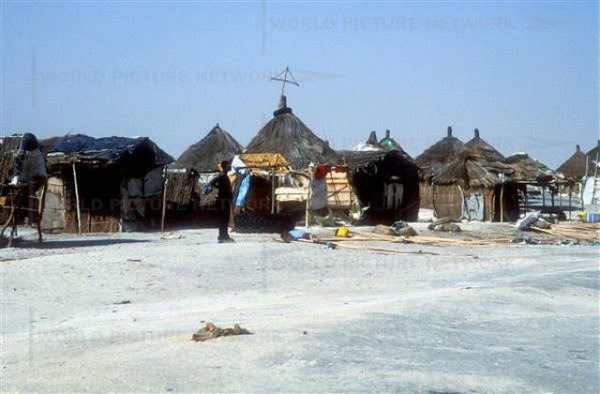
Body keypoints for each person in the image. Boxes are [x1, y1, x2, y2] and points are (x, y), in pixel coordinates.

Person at [207, 160, 235, 243]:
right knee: (223, 219)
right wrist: (219, 189)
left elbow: (215, 184)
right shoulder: (222, 175)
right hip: (223, 200)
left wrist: (220, 188)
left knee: (225, 219)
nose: (230, 166)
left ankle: (224, 236)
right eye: (229, 165)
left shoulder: (224, 176)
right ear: (225, 166)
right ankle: (222, 236)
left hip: (225, 200)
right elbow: (212, 182)